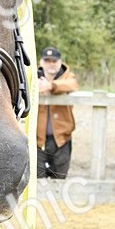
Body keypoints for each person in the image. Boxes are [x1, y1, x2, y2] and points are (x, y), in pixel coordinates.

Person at [36, 46, 78, 178]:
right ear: (41, 63)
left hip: (61, 139)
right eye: (47, 61)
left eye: (54, 61)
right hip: (38, 140)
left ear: (60, 62)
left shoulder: (68, 76)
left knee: (59, 178)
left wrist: (51, 86)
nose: (51, 64)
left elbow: (73, 85)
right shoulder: (33, 77)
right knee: (37, 180)